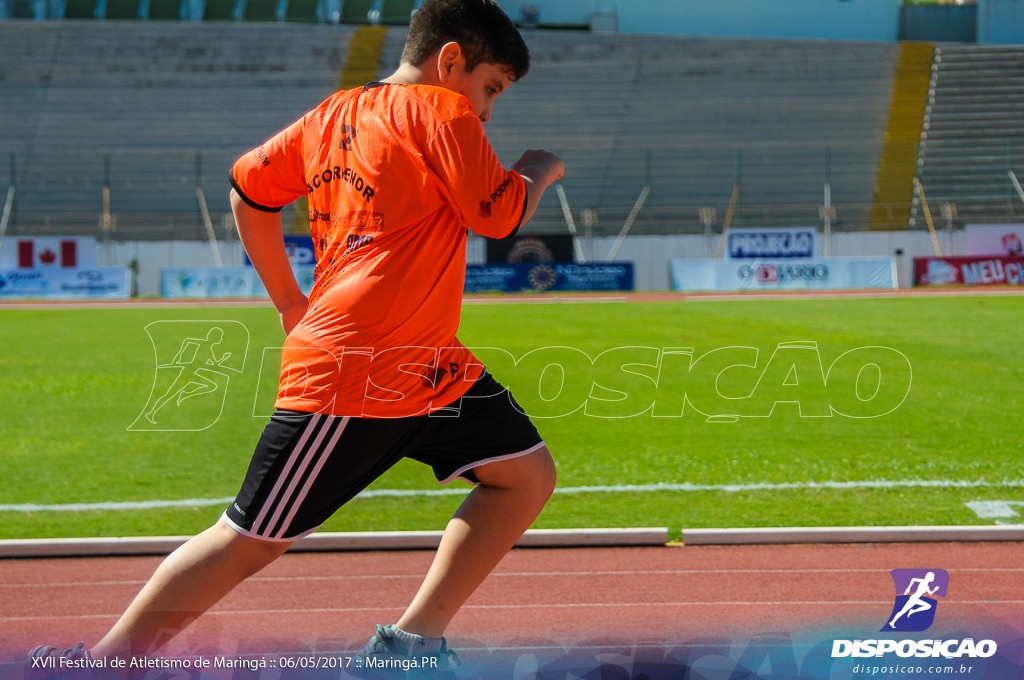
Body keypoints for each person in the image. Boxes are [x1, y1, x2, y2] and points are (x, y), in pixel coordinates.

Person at [29, 0, 563, 671]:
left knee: (525, 476)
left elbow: (246, 189)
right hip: (360, 364)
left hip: (426, 363)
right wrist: (539, 167)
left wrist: (289, 300)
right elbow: (500, 213)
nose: (486, 112)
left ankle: (409, 645)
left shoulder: (330, 115)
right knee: (249, 538)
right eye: (489, 90)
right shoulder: (441, 110)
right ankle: (99, 663)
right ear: (449, 60)